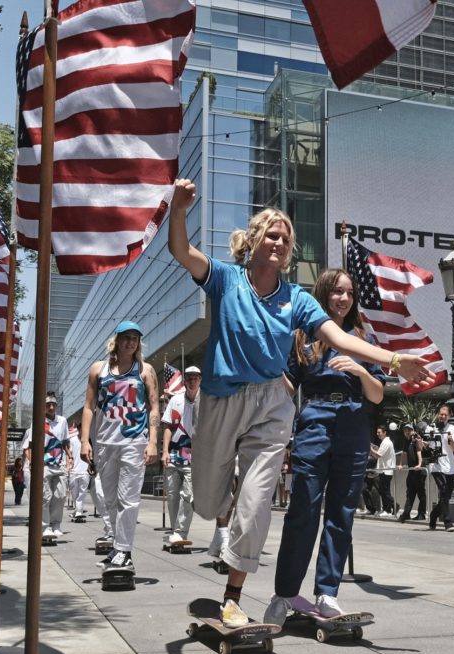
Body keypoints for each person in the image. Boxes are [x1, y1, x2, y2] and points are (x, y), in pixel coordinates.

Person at [167, 178, 434, 628]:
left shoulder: (297, 299)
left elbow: (336, 335)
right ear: (252, 241)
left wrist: (391, 359)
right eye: (272, 235)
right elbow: (181, 252)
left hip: (272, 404)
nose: (279, 243)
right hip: (221, 399)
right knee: (209, 501)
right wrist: (178, 209)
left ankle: (233, 595)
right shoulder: (225, 279)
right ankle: (219, 504)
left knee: (255, 504)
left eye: (286, 240)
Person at [264, 267, 386, 625]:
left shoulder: (364, 339)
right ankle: (285, 593)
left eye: (349, 292)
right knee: (303, 509)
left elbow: (378, 396)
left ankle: (327, 594)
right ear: (323, 295)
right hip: (314, 423)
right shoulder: (305, 338)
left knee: (341, 515)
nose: (343, 298)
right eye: (336, 292)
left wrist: (362, 371)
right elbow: (286, 385)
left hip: (353, 426)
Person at [80, 320, 159, 575]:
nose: (131, 342)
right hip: (104, 442)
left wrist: (153, 441)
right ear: (116, 340)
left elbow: (154, 407)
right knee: (109, 499)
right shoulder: (98, 370)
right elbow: (89, 407)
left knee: (129, 499)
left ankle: (124, 550)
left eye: (135, 338)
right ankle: (118, 546)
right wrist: (84, 441)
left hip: (134, 441)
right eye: (126, 337)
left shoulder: (145, 370)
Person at [20, 392, 70, 539]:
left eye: (53, 404)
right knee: (45, 496)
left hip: (59, 464)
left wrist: (70, 457)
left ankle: (56, 525)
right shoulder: (38, 422)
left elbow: (65, 441)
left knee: (60, 495)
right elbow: (29, 445)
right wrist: (32, 462)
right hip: (44, 464)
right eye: (48, 404)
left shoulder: (62, 421)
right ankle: (45, 526)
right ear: (43, 407)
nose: (51, 407)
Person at [161, 365, 201, 544]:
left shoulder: (206, 401)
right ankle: (175, 529)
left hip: (196, 457)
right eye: (189, 377)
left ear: (200, 380)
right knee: (172, 494)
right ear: (184, 380)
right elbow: (168, 426)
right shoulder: (176, 400)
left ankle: (181, 531)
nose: (192, 380)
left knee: (189, 495)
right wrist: (164, 451)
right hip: (174, 454)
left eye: (195, 377)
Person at [428, 405, 454, 533]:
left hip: (449, 466)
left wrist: (451, 439)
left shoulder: (452, 429)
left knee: (447, 494)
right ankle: (447, 522)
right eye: (440, 414)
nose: (442, 416)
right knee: (443, 490)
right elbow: (425, 446)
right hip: (436, 465)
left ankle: (434, 515)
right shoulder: (432, 428)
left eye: (445, 414)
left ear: (449, 416)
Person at [397, 423, 427, 522]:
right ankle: (406, 514)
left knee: (421, 493)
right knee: (410, 493)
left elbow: (419, 451)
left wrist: (419, 464)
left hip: (419, 471)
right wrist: (401, 464)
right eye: (405, 430)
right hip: (412, 470)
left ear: (413, 430)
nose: (407, 432)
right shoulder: (407, 441)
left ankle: (421, 514)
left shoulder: (416, 439)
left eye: (409, 430)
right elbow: (404, 453)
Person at [67, 424, 90, 519]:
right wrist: (68, 465)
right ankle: (77, 510)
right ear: (78, 430)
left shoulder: (89, 441)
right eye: (81, 429)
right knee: (74, 493)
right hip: (74, 471)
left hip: (85, 471)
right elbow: (69, 454)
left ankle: (79, 512)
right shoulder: (72, 440)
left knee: (82, 492)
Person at [374, 425, 396, 517]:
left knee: (384, 491)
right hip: (383, 470)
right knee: (383, 491)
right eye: (377, 432)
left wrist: (370, 449)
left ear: (384, 432)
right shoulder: (384, 442)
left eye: (379, 432)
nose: (378, 434)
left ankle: (388, 510)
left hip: (387, 470)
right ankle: (391, 507)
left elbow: (379, 454)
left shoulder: (386, 442)